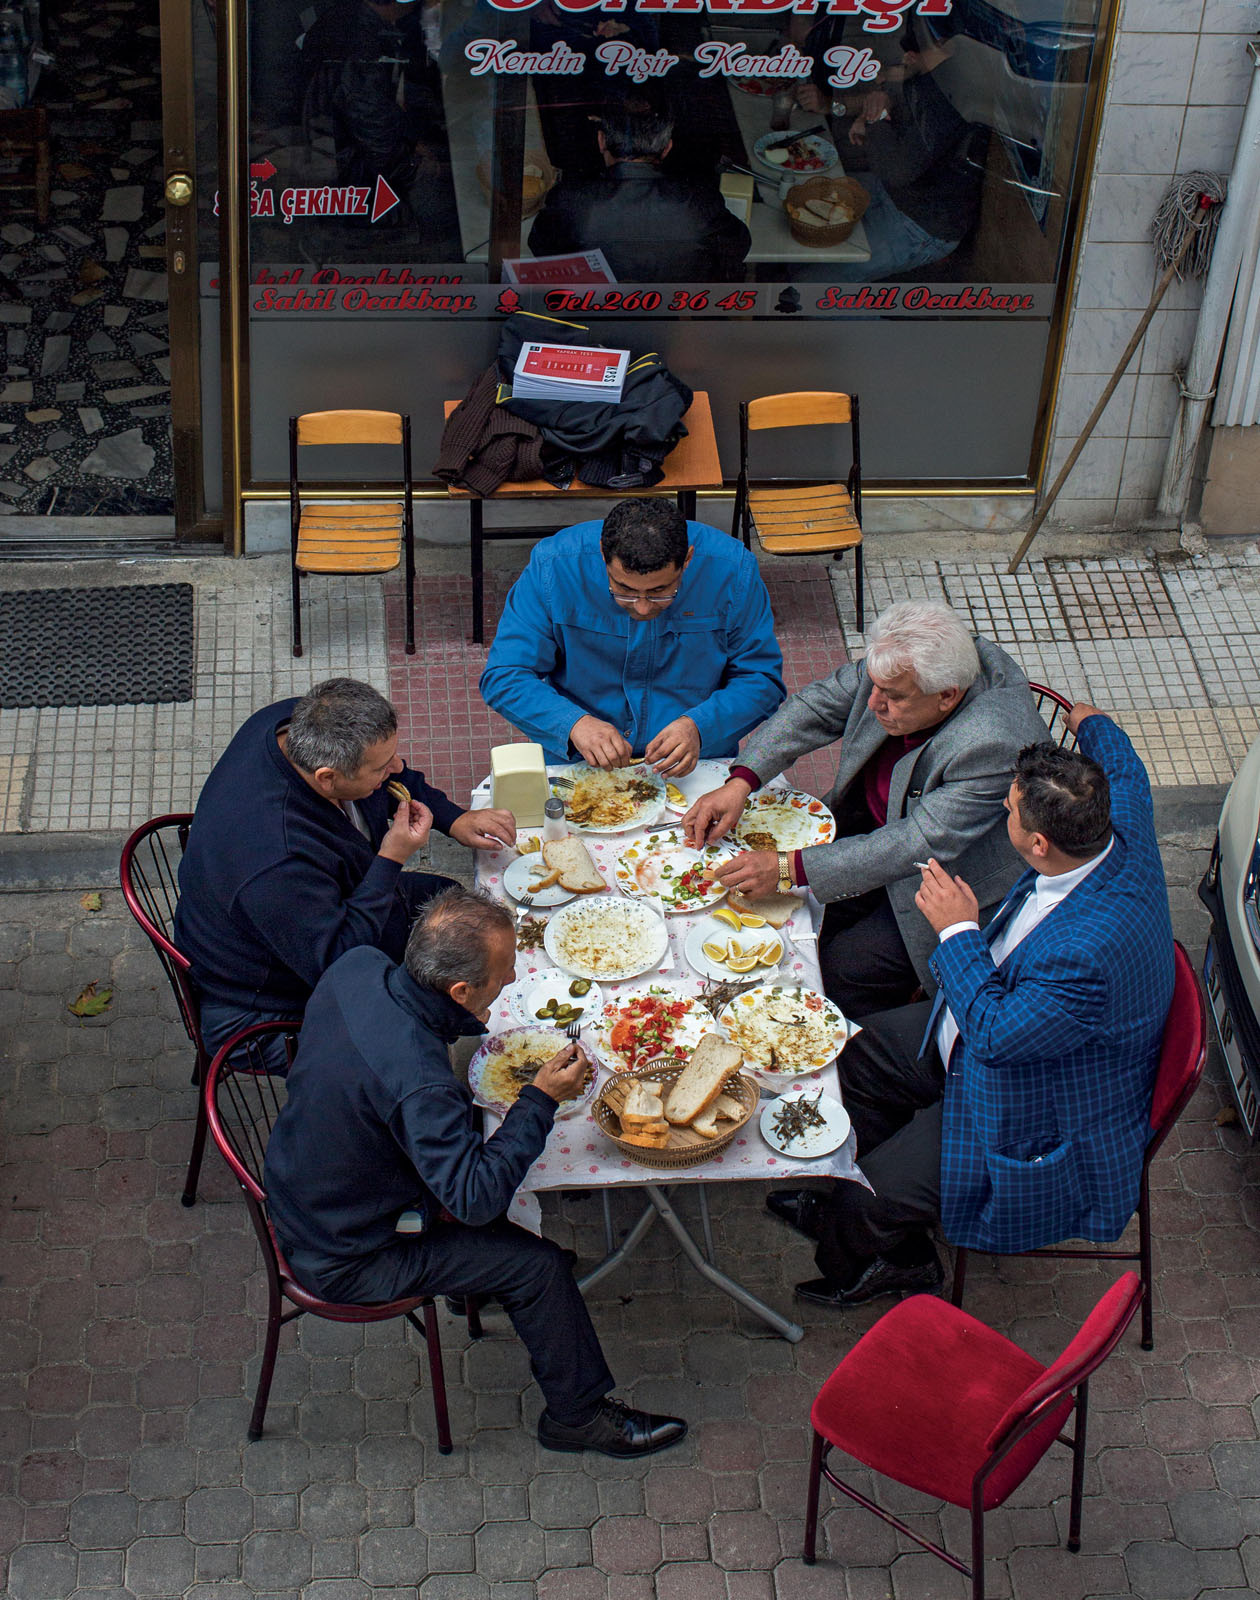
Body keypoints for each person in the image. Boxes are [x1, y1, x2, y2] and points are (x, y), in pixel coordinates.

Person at [764, 705, 1176, 1308]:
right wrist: (1091, 722)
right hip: (1001, 1028)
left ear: (1037, 842)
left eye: (1007, 810)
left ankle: (886, 1256)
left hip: (1028, 1100)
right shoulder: (1118, 824)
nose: (1000, 811)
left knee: (871, 1196)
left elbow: (994, 1035)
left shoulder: (1087, 954)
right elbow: (1123, 764)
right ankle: (855, 1184)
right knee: (853, 1055)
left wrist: (957, 931)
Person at [264, 886, 688, 1457]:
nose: (512, 980)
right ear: (459, 990)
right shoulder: (420, 1082)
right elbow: (474, 1200)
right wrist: (538, 1099)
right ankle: (577, 1418)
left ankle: (472, 1289)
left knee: (500, 1179)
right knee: (537, 1269)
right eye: (505, 972)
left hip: (305, 1176)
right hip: (346, 1250)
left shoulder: (359, 964)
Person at [684, 599, 1048, 1017]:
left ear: (947, 695)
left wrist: (788, 869)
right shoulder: (904, 666)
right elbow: (814, 707)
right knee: (792, 920)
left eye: (892, 697)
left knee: (846, 967)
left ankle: (865, 1045)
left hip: (947, 878)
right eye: (872, 684)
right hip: (871, 826)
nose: (873, 704)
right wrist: (741, 781)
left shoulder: (993, 742)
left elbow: (917, 841)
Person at [175, 678, 516, 1053]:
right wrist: (391, 858)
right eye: (380, 769)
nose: (396, 768)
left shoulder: (296, 724)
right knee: (421, 1027)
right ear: (327, 778)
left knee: (467, 917)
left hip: (340, 896)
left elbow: (395, 777)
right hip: (266, 998)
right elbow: (340, 961)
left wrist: (454, 819)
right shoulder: (277, 861)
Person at [479, 499, 785, 774]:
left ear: (688, 559)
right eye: (623, 590)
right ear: (603, 555)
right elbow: (505, 675)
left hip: (695, 760)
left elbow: (761, 680)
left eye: (660, 592)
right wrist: (573, 723)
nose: (641, 607)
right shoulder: (554, 566)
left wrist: (700, 726)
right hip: (578, 757)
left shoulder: (734, 571)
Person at [794, 16, 981, 280]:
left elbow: (895, 170)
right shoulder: (932, 74)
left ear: (944, 43)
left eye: (917, 45)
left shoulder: (949, 97)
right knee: (799, 200)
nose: (906, 52)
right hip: (891, 194)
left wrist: (875, 118)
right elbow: (890, 99)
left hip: (920, 225)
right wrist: (876, 101)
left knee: (807, 287)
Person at [527, 104, 751, 283]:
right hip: (672, 319)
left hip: (590, 315)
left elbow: (541, 249)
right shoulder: (698, 201)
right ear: (667, 148)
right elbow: (738, 246)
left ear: (601, 141)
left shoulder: (572, 199)